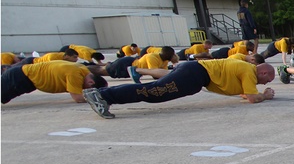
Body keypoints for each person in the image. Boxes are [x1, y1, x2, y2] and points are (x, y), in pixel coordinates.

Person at [82, 59, 276, 119]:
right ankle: (103, 96)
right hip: (194, 74)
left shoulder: (246, 69)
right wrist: (264, 96)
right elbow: (251, 97)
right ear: (264, 73)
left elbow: (243, 92)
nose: (267, 84)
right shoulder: (249, 71)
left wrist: (254, 94)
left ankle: (103, 96)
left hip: (193, 73)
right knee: (153, 92)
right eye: (269, 80)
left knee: (153, 91)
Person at [2, 60, 108, 104]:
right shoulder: (75, 74)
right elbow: (78, 98)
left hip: (24, 78)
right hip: (20, 77)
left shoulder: (83, 70)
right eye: (88, 90)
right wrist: (101, 98)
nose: (84, 90)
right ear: (91, 83)